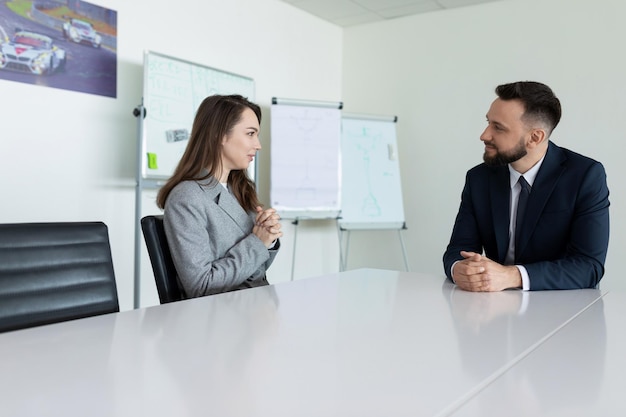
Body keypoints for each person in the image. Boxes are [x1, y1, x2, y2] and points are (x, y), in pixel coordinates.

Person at [443, 81, 610, 291]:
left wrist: (512, 276)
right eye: (488, 122)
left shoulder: (585, 176)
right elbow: (458, 250)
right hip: (492, 306)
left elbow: (589, 267)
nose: (484, 135)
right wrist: (458, 268)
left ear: (535, 137)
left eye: (498, 128)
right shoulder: (479, 178)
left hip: (564, 308)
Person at [156, 94, 282, 298]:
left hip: (255, 304)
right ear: (220, 134)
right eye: (250, 133)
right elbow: (201, 285)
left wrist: (268, 237)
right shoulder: (187, 198)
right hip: (223, 316)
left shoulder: (238, 189)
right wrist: (258, 242)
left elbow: (256, 270)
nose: (258, 145)